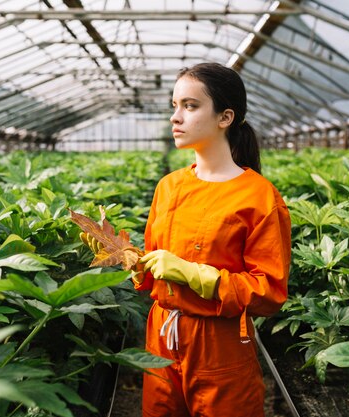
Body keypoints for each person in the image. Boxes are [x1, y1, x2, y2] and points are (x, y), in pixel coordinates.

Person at [82, 62, 290, 416]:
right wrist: (130, 259)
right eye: (174, 106)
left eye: (190, 106)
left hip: (220, 342)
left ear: (225, 117)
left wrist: (193, 273)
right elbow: (152, 273)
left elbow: (269, 292)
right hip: (161, 335)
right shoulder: (169, 186)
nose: (175, 117)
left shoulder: (260, 197)